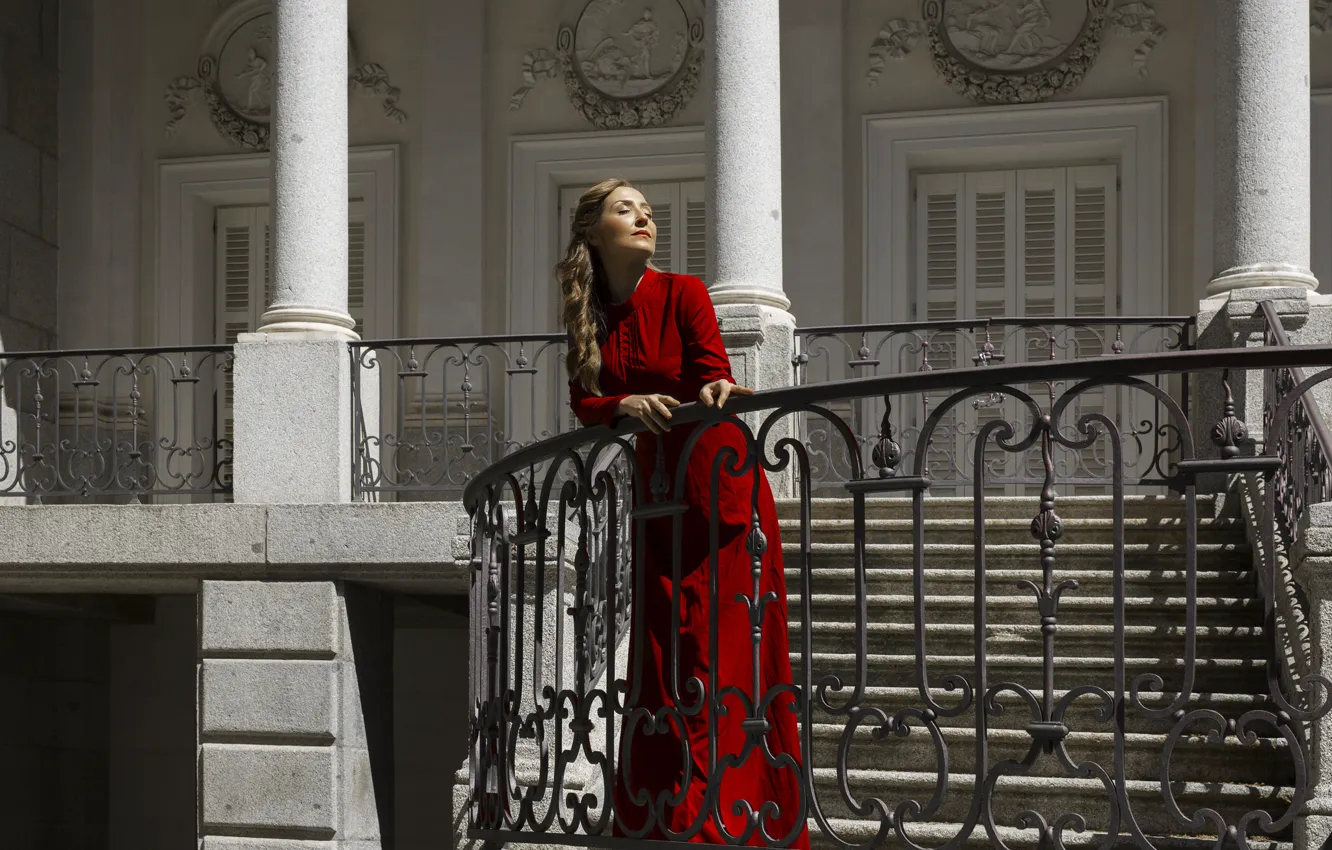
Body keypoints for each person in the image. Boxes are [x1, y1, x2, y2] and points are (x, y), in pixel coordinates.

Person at [559, 178, 809, 847]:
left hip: (716, 480)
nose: (644, 216)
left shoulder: (685, 292)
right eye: (626, 209)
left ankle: (729, 819)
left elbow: (711, 369)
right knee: (664, 655)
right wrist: (622, 404)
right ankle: (664, 814)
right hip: (657, 494)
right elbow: (584, 401)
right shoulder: (590, 317)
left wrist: (716, 385)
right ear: (594, 232)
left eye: (647, 210)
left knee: (718, 653)